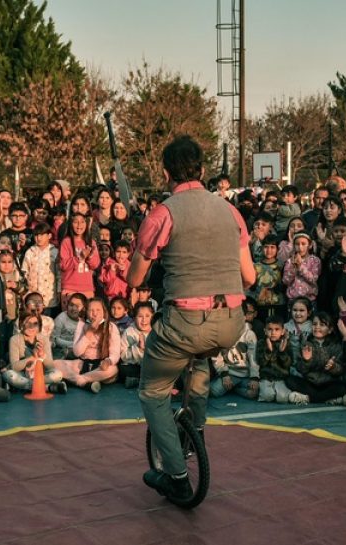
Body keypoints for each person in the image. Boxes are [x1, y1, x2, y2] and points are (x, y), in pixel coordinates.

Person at [129, 136, 254, 502]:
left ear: (165, 173)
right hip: (232, 321)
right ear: (202, 170)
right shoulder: (231, 211)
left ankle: (178, 476)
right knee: (199, 361)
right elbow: (249, 277)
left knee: (153, 392)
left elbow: (135, 279)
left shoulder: (163, 213)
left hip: (184, 322)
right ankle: (194, 430)